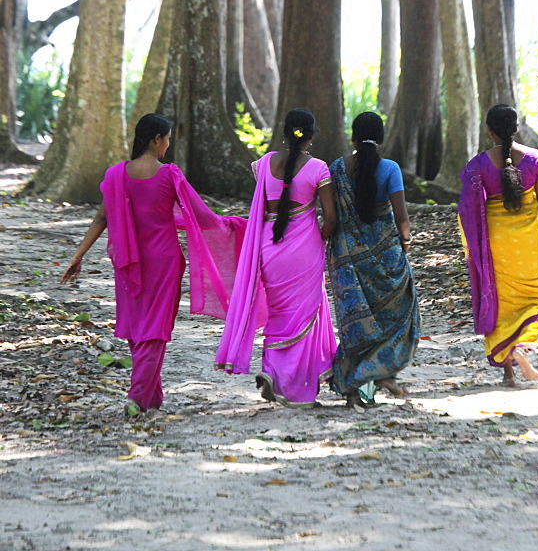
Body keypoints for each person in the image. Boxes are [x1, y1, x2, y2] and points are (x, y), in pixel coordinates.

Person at [61, 113, 246, 416]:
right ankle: (137, 397)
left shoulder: (116, 175)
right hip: (163, 261)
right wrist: (235, 225)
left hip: (127, 263)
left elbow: (101, 218)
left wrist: (78, 255)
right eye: (168, 139)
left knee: (138, 328)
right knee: (155, 329)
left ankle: (151, 395)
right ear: (156, 140)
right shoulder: (169, 175)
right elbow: (203, 218)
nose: (168, 145)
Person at [215, 108, 338, 407]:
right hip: (304, 252)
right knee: (303, 316)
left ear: (284, 133)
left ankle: (271, 370)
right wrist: (319, 239)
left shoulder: (265, 163)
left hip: (268, 248)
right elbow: (331, 219)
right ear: (310, 135)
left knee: (279, 314)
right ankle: (291, 387)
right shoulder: (319, 168)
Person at [457, 103, 538, 386]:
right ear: (517, 129)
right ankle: (523, 346)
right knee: (535, 298)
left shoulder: (478, 165)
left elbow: (468, 209)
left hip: (496, 243)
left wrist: (472, 248)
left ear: (490, 131)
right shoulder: (535, 159)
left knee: (500, 302)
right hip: (528, 243)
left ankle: (508, 372)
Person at [327, 111, 420, 408]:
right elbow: (402, 218)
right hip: (387, 254)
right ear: (380, 138)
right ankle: (382, 373)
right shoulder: (390, 168)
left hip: (348, 257)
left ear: (353, 136)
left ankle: (354, 391)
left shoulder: (337, 169)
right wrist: (405, 243)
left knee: (356, 323)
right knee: (399, 314)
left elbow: (332, 215)